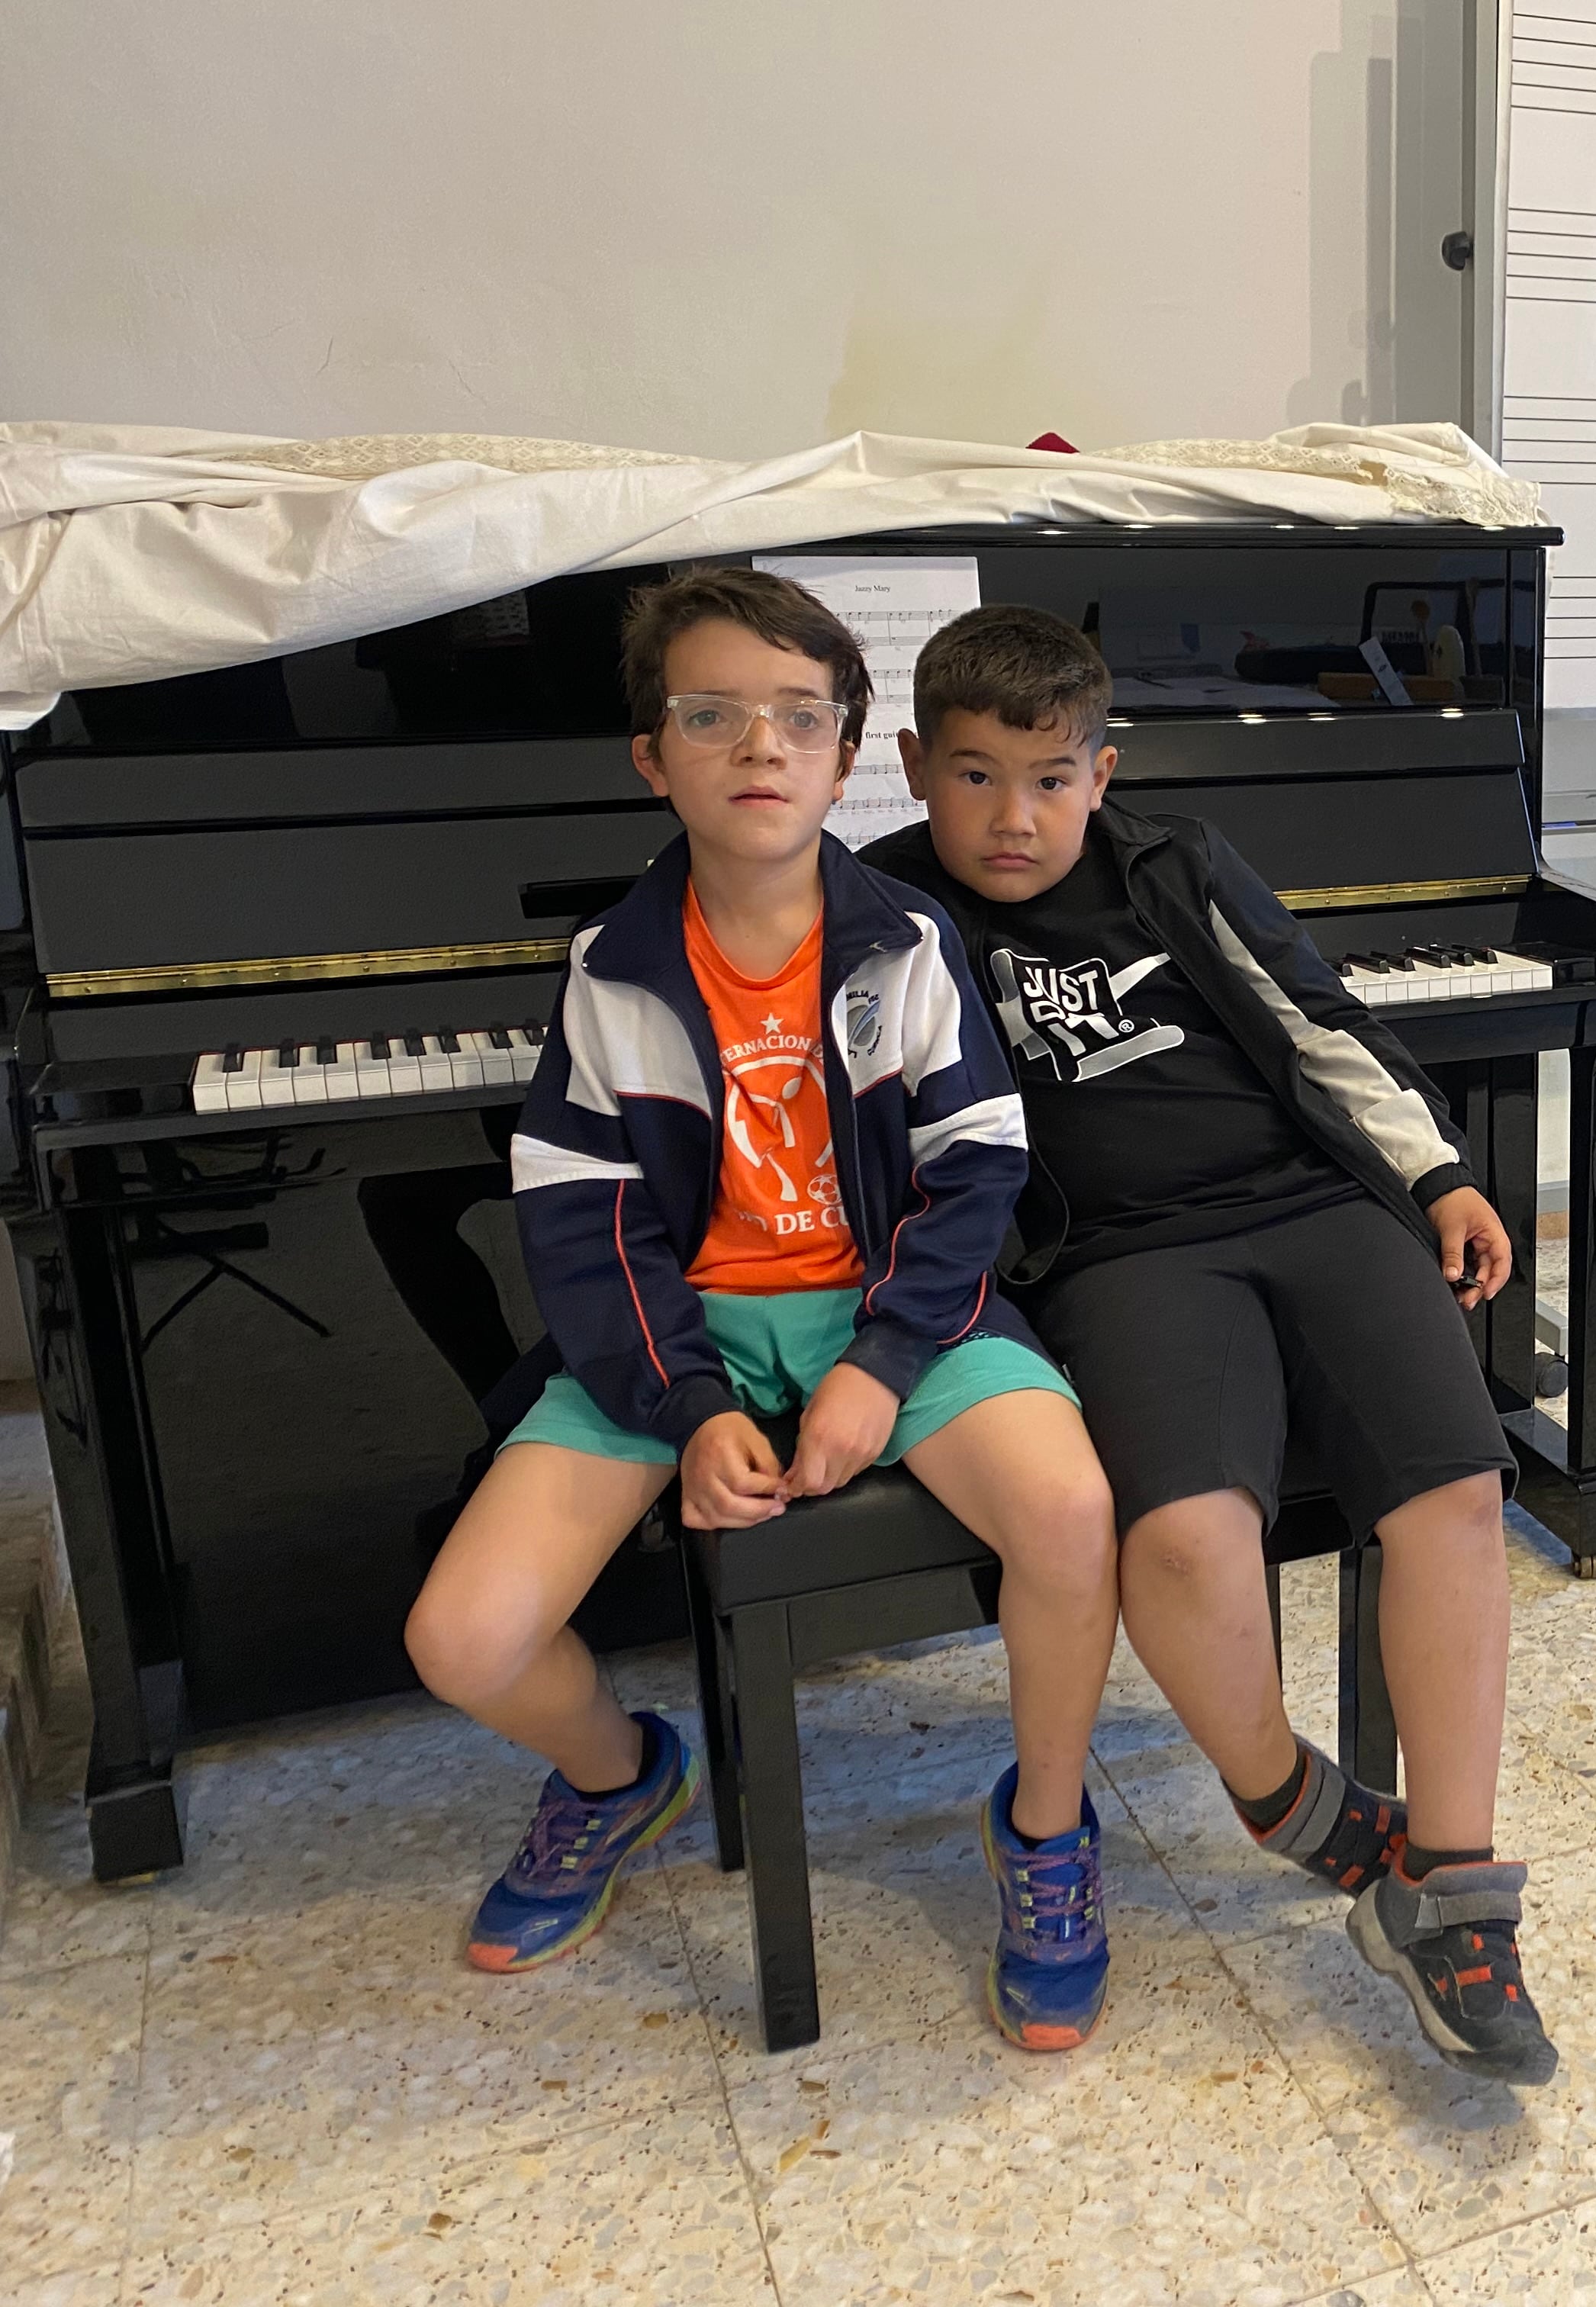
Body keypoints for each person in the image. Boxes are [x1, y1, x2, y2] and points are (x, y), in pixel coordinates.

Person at [404, 568, 1125, 2054]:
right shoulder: (613, 972)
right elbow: (585, 1225)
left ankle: (1046, 1829)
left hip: (895, 1316)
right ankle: (619, 1776)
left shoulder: (907, 945)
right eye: (713, 714)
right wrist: (687, 1405)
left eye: (799, 717)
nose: (760, 746)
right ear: (652, 755)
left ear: (846, 758)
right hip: (685, 1337)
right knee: (462, 1637)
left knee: (1067, 1516)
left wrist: (881, 1363)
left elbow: (979, 1174)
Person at [862, 603, 1556, 2086]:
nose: (1014, 815)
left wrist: (1435, 1173)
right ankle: (1293, 1802)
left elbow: (1319, 1024)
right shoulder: (888, 909)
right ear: (917, 766)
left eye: (1052, 778)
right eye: (976, 776)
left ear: (1102, 774)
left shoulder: (1175, 865)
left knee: (1457, 1493)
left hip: (1315, 1208)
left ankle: (1457, 1895)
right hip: (1121, 1256)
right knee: (1180, 1543)